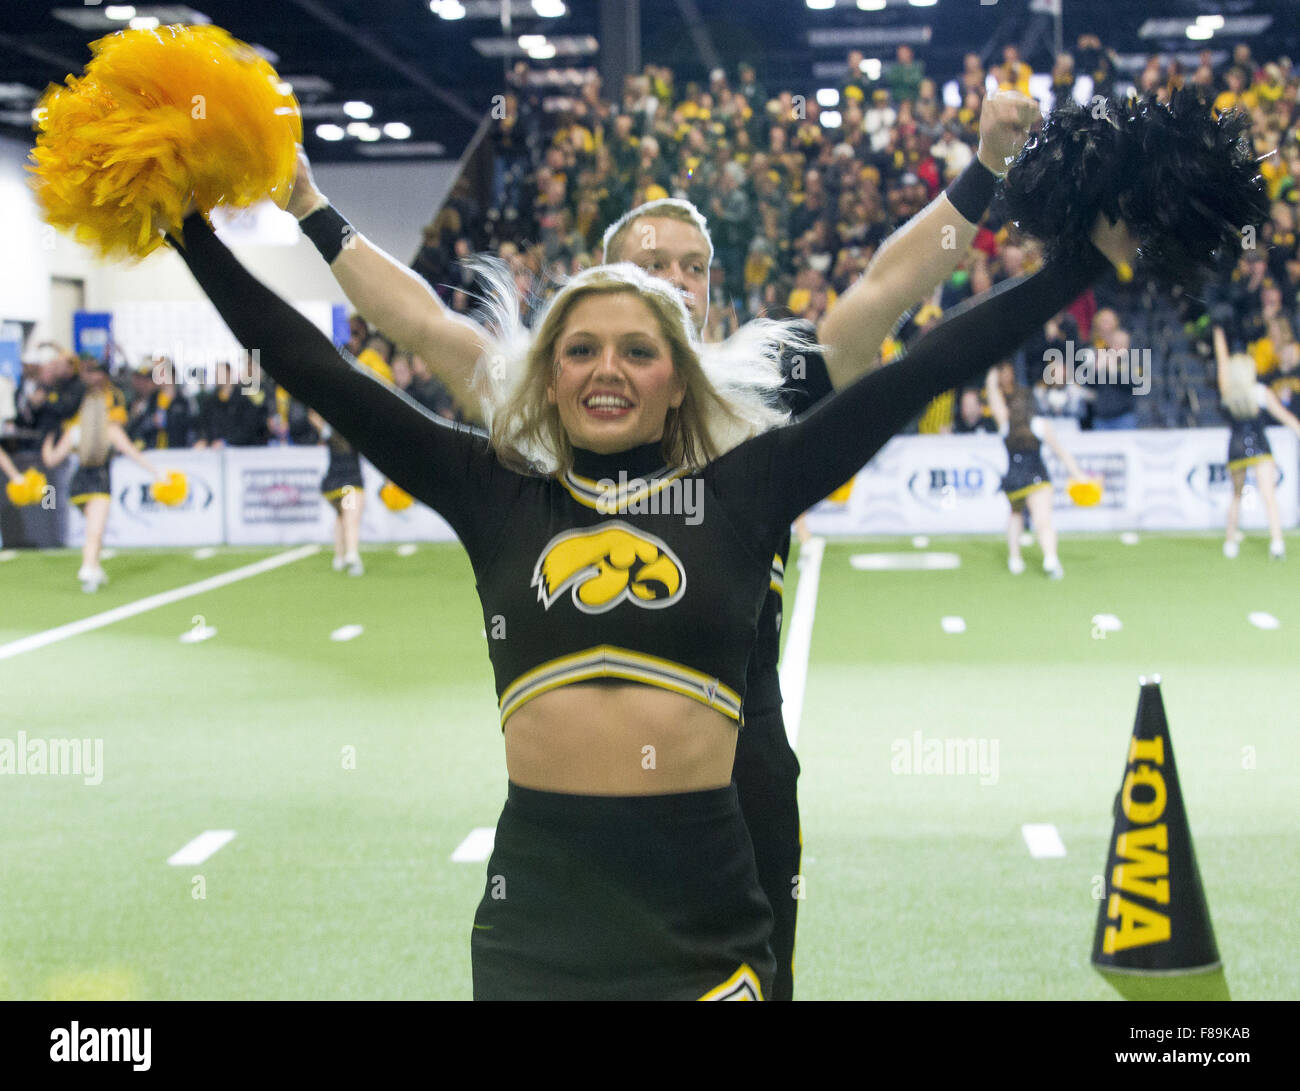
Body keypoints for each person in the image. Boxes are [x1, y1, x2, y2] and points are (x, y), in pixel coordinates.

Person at [170, 195, 1135, 998]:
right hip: (536, 919)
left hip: (703, 915)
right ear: (548, 376)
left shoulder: (750, 485)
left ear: (679, 379)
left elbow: (929, 363)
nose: (607, 370)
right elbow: (311, 365)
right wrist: (189, 232)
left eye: (638, 351)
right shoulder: (491, 489)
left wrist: (1081, 262)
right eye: (581, 349)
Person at [39, 359, 170, 591]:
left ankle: (94, 567)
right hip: (99, 483)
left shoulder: (74, 431)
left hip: (78, 485)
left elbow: (51, 459)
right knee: (94, 531)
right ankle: (88, 567)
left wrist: (47, 440)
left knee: (93, 528)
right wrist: (158, 473)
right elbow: (133, 454)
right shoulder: (111, 429)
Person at [986, 363, 1091, 579]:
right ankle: (1050, 559)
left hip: (1013, 478)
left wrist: (991, 370)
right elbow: (1061, 453)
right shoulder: (1040, 424)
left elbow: (992, 394)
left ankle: (1015, 559)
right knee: (1043, 520)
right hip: (1036, 477)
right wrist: (1078, 474)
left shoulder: (1005, 421)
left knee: (1015, 515)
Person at [1214, 326, 1300, 560]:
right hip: (1260, 447)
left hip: (1237, 446)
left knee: (1236, 495)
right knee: (1268, 495)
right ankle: (1277, 543)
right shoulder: (1260, 392)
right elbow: (1287, 418)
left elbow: (1222, 363)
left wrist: (1218, 334)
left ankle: (1230, 542)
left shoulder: (1228, 393)